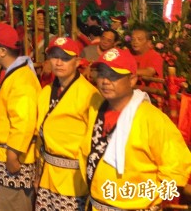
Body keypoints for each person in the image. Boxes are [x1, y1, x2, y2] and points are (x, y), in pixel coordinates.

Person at [81, 48, 191, 210]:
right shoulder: (96, 109)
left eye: (114, 76)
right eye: (102, 74)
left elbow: (177, 170)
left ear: (132, 80)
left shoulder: (152, 119)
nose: (105, 81)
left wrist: (153, 203)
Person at [0, 23, 40, 211]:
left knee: (10, 204)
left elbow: (24, 120)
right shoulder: (5, 73)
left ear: (3, 51)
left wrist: (13, 154)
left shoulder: (22, 79)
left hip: (10, 158)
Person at [35, 37, 101, 211]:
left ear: (77, 61)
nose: (58, 62)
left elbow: (96, 142)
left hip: (74, 180)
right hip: (46, 175)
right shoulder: (46, 92)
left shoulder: (90, 95)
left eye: (65, 58)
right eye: (54, 57)